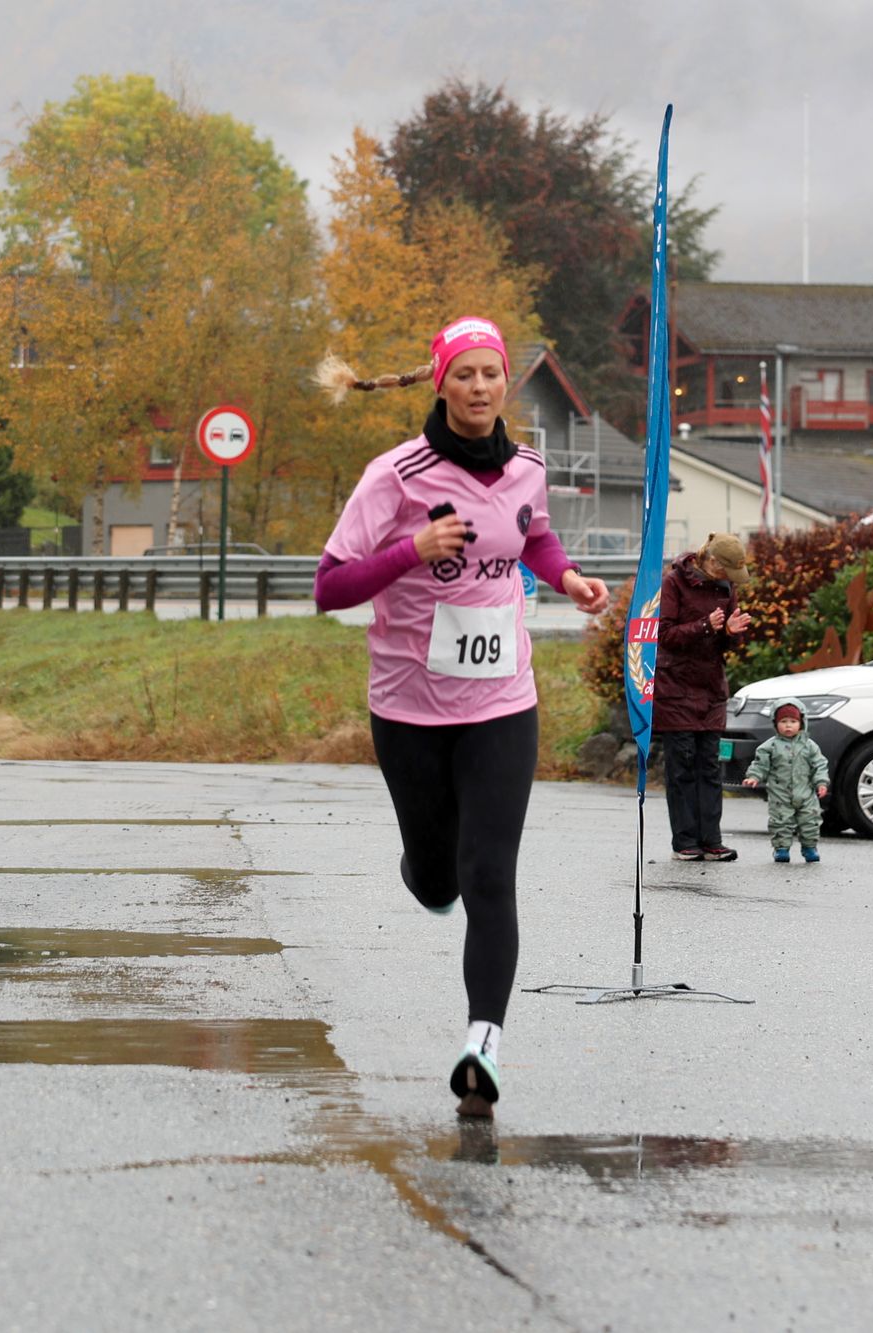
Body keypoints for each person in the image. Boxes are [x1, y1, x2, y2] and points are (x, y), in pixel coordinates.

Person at [311, 315, 611, 1119]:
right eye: (466, 374)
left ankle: (484, 1041)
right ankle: (422, 870)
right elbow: (329, 587)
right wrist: (414, 548)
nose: (481, 388)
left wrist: (570, 577)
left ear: (504, 382)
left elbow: (535, 537)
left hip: (501, 704)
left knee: (490, 876)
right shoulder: (395, 475)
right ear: (440, 381)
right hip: (407, 707)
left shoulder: (528, 468)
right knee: (439, 875)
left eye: (493, 374)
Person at [653, 533, 752, 861]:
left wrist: (731, 634)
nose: (730, 581)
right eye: (727, 572)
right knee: (682, 767)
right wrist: (705, 626)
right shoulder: (674, 583)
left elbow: (724, 642)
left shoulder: (726, 588)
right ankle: (685, 842)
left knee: (710, 767)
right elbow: (664, 635)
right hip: (675, 689)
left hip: (711, 690)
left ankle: (712, 840)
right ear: (711, 561)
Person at [740, 699, 828, 863]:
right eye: (783, 722)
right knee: (781, 822)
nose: (788, 726)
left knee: (810, 821)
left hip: (805, 793)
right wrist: (754, 776)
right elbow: (760, 764)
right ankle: (781, 848)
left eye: (793, 722)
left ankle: (810, 847)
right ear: (775, 723)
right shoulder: (770, 746)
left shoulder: (809, 746)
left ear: (801, 723)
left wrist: (821, 782)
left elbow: (819, 764)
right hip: (780, 794)